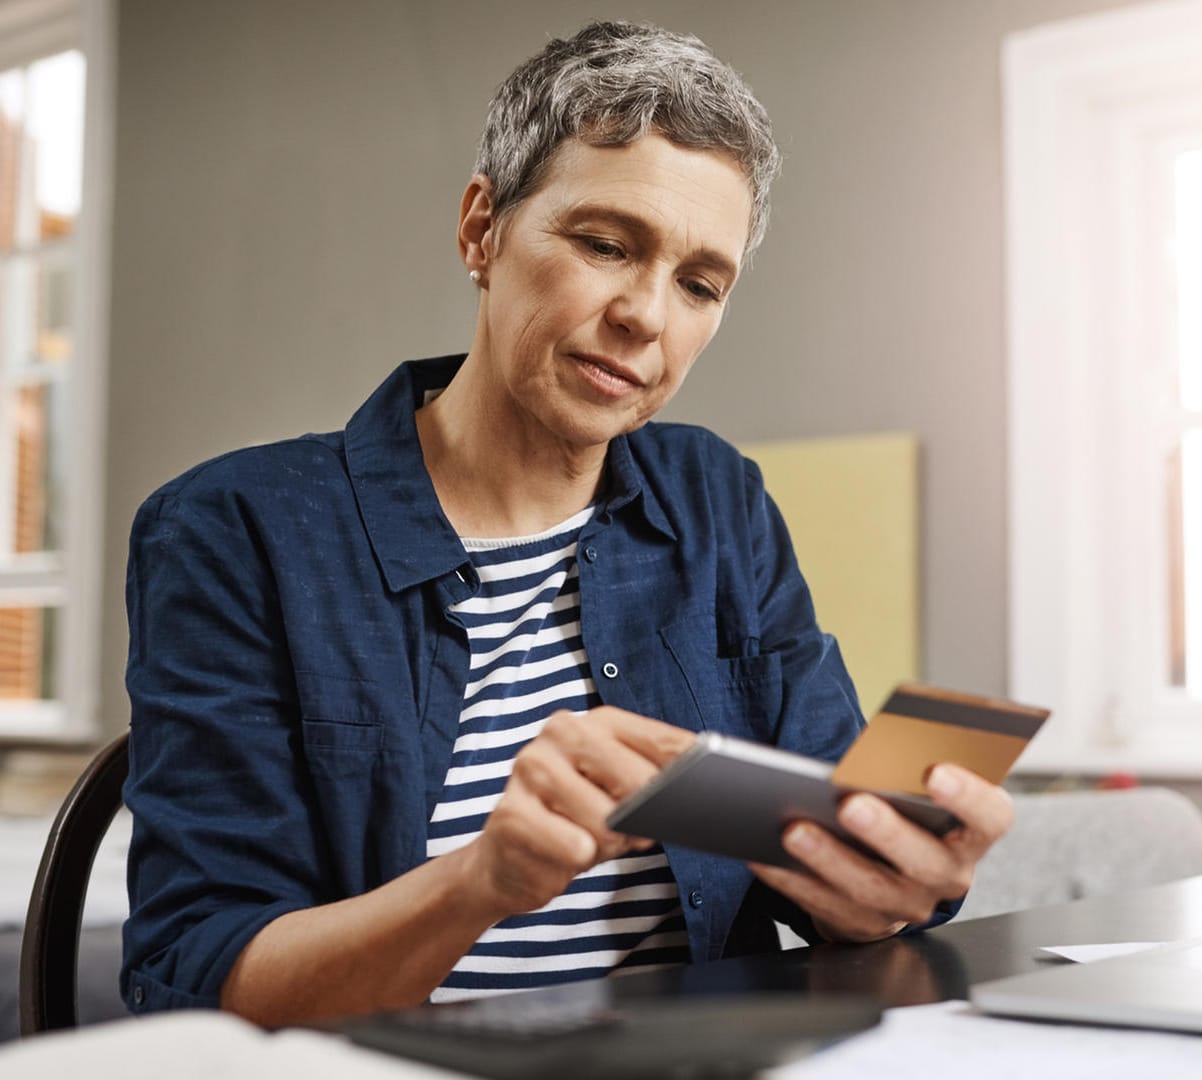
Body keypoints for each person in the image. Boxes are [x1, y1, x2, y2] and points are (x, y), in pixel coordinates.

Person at [121, 20, 1014, 1028]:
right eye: (604, 244)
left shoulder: (715, 499)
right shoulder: (235, 531)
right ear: (481, 230)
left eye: (699, 283)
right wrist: (482, 882)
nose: (646, 315)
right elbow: (198, 973)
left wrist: (900, 881)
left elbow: (826, 862)